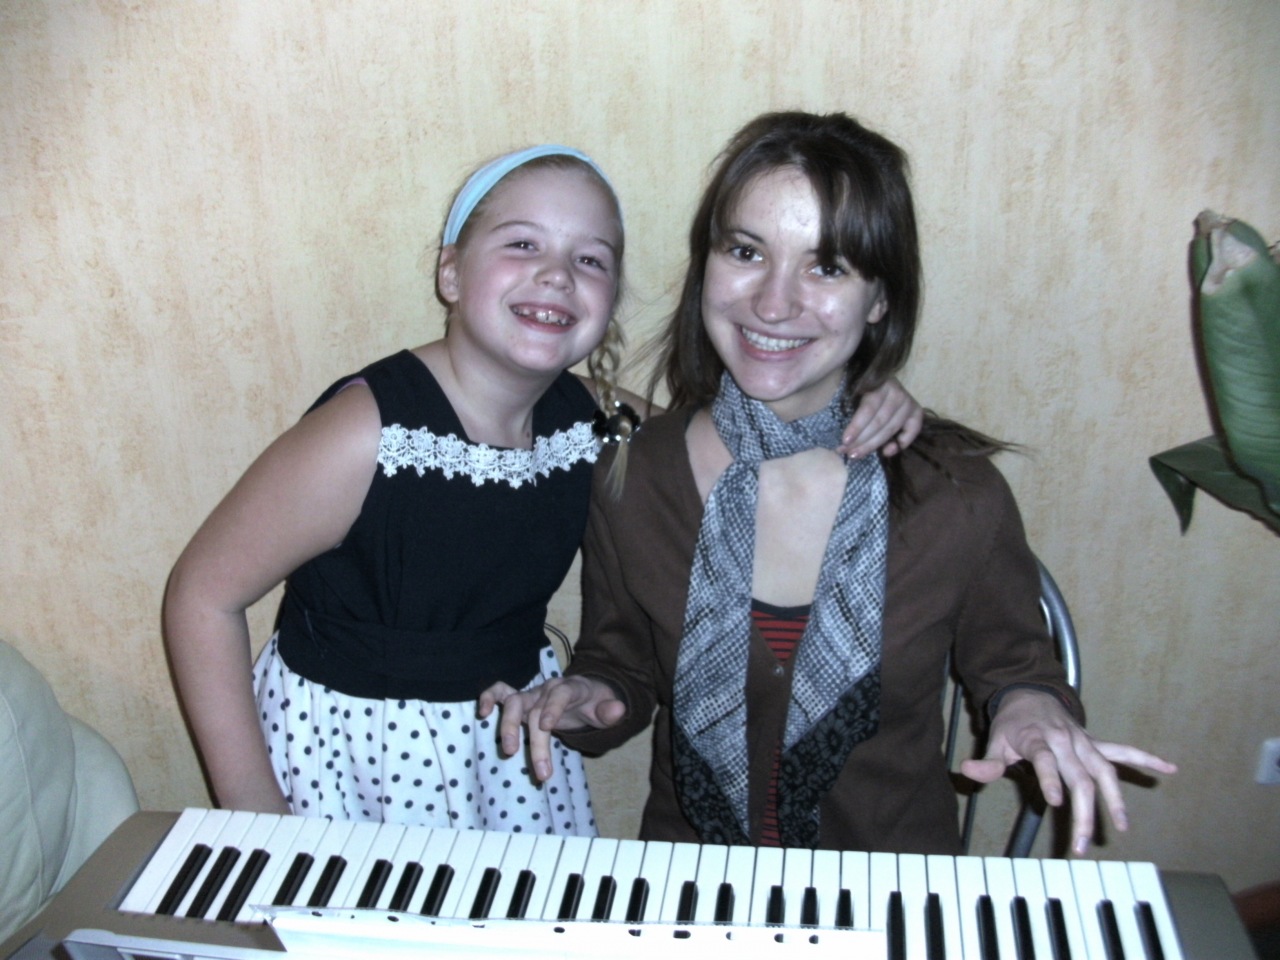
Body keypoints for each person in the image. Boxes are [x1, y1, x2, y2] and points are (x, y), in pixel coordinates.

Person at [163, 143, 922, 834]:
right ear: (450, 272)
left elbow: (739, 436)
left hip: (501, 758)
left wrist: (859, 396)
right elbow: (202, 597)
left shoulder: (596, 420)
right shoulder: (367, 434)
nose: (557, 275)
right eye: (522, 244)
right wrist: (255, 818)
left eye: (591, 260)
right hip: (352, 762)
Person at [485, 113, 1176, 855]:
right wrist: (588, 697)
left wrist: (1033, 710)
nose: (773, 303)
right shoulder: (637, 473)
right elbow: (620, 659)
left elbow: (1015, 665)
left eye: (827, 267)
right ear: (706, 266)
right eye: (746, 251)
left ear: (879, 299)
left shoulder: (953, 493)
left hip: (893, 884)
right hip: (696, 878)